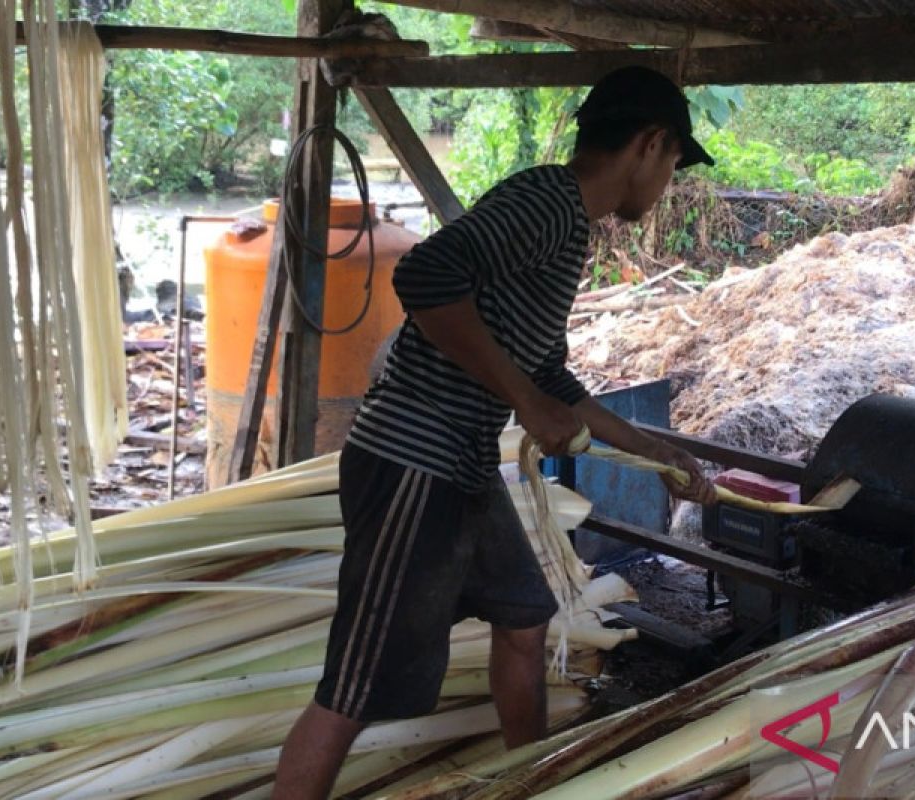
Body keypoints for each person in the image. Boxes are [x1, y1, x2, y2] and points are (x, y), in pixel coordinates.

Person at [272, 65, 719, 798]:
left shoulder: (568, 228)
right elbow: (422, 277)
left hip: (462, 467)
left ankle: (528, 781)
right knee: (354, 686)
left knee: (523, 617)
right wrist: (523, 398)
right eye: (674, 162)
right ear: (651, 142)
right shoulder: (548, 201)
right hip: (414, 462)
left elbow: (550, 379)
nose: (669, 179)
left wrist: (655, 451)